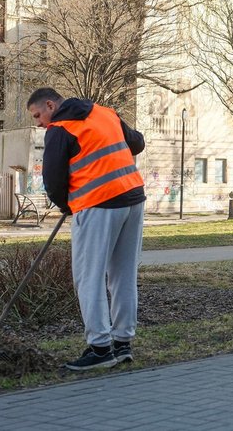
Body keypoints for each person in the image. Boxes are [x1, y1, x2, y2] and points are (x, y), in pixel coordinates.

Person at [26, 87, 146, 371]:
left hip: (97, 205)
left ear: (50, 105)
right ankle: (123, 343)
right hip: (133, 198)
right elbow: (137, 142)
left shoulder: (59, 129)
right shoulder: (105, 113)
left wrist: (66, 205)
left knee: (88, 278)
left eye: (38, 115)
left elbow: (53, 180)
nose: (38, 123)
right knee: (123, 275)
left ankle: (100, 348)